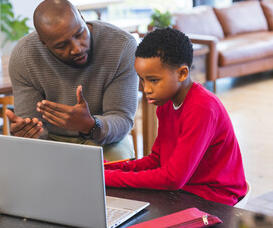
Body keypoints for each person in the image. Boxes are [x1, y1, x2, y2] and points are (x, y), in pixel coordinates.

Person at [104, 27, 247, 206]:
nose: (146, 89)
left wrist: (107, 178)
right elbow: (157, 160)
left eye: (153, 80)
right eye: (142, 79)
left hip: (213, 197)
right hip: (185, 190)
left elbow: (172, 178)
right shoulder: (166, 103)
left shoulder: (202, 108)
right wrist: (109, 168)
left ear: (182, 73)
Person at [6, 0, 138, 160]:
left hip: (104, 138)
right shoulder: (24, 56)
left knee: (119, 159)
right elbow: (34, 128)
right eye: (62, 45)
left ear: (82, 18)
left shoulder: (121, 46)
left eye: (80, 33)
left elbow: (122, 118)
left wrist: (90, 125)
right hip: (51, 140)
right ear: (44, 43)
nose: (77, 48)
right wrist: (28, 134)